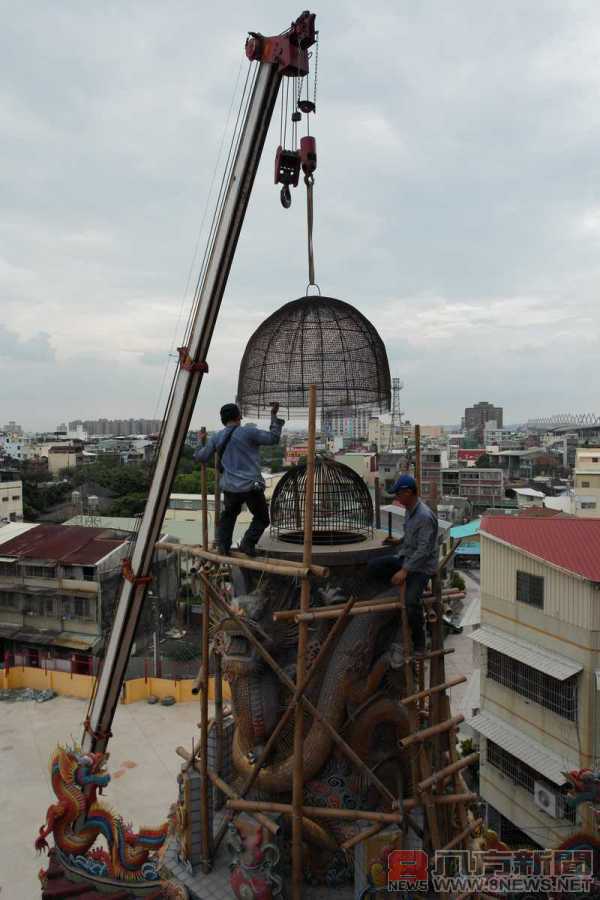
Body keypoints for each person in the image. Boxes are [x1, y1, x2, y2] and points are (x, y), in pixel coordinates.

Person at [194, 402, 285, 557]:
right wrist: (273, 415)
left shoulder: (217, 437)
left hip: (230, 487)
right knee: (262, 518)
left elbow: (201, 456)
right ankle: (247, 543)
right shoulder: (248, 432)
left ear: (223, 419)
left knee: (228, 517)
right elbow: (273, 438)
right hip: (251, 486)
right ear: (239, 417)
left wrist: (199, 441)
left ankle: (223, 546)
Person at [367, 474, 438, 655]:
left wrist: (404, 571)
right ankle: (394, 589)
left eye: (398, 494)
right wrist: (398, 543)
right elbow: (411, 537)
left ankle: (419, 642)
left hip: (421, 567)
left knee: (411, 603)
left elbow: (424, 550)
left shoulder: (424, 516)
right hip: (406, 557)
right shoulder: (410, 509)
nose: (396, 499)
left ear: (408, 492)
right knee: (373, 566)